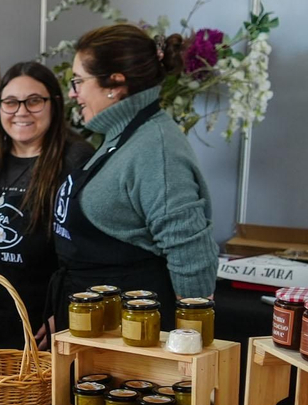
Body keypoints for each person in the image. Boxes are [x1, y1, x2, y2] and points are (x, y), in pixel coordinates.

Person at [49, 23, 217, 327]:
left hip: (135, 334)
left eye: (79, 81)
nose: (73, 94)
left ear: (115, 83)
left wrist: (188, 342)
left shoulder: (157, 147)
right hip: (99, 324)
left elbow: (191, 252)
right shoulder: (118, 135)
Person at [0, 62, 93, 350]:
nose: (21, 111)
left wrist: (66, 313)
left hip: (46, 321)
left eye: (34, 101)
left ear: (55, 105)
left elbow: (86, 252)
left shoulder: (76, 159)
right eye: (10, 102)